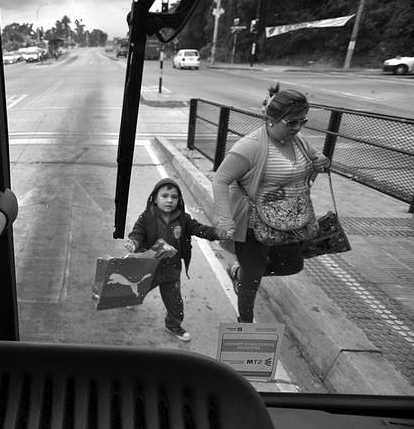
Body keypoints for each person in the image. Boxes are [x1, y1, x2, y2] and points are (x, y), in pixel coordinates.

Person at [212, 83, 330, 323]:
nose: (297, 128)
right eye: (292, 123)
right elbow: (221, 179)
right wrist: (224, 219)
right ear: (271, 119)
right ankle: (245, 326)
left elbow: (314, 156)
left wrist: (320, 160)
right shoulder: (251, 146)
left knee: (293, 265)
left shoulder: (299, 141)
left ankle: (239, 273)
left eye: (302, 122)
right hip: (253, 226)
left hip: (288, 222)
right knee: (252, 279)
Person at [125, 177, 225, 341]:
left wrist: (216, 233)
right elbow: (137, 233)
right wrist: (134, 243)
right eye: (164, 196)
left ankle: (173, 324)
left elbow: (199, 229)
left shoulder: (183, 219)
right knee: (139, 288)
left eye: (174, 197)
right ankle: (130, 298)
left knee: (175, 302)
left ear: (179, 200)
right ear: (155, 199)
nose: (169, 200)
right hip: (150, 268)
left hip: (172, 269)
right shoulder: (146, 217)